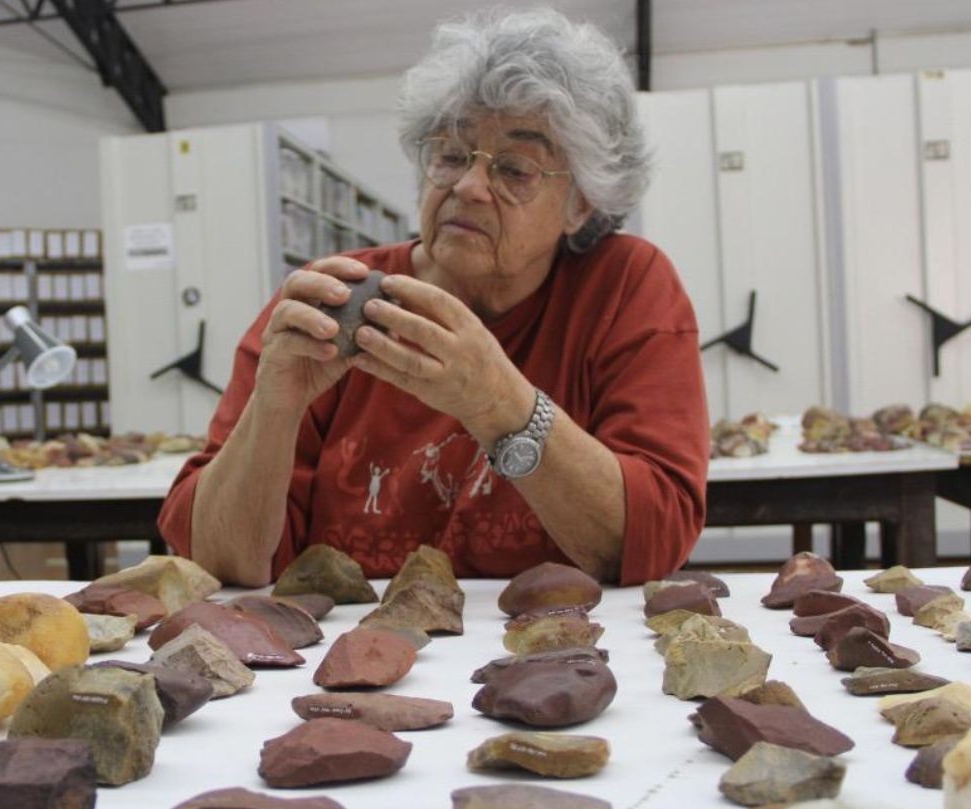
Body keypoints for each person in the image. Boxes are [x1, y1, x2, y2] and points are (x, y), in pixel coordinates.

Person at [158, 7, 709, 587]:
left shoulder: (623, 286)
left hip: (556, 655)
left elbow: (650, 543)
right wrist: (273, 413)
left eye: (515, 169)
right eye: (450, 155)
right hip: (344, 661)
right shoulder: (332, 301)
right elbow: (220, 564)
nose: (469, 186)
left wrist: (498, 403)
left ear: (583, 205)